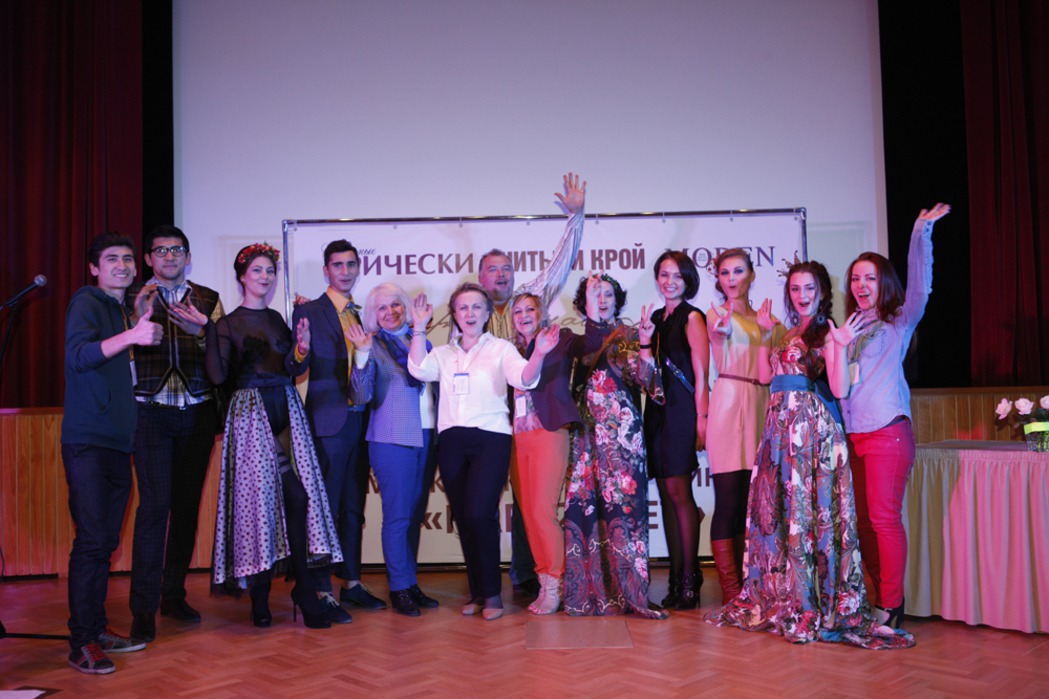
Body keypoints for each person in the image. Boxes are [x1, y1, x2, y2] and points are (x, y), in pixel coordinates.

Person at [705, 260, 914, 649]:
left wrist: (839, 345)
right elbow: (766, 378)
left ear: (822, 293)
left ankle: (812, 600)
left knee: (805, 514)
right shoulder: (788, 331)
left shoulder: (828, 331)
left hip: (809, 430)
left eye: (809, 289)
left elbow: (839, 387)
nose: (802, 296)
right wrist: (765, 335)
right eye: (796, 289)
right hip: (779, 430)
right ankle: (785, 593)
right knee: (783, 514)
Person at [172, 242, 341, 629]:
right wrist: (207, 330)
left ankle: (297, 590)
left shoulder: (279, 319)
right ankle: (267, 596)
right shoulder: (228, 323)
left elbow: (292, 368)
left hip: (286, 411)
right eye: (257, 271)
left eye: (270, 271)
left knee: (295, 499)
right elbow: (218, 376)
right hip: (251, 416)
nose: (265, 277)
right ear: (242, 277)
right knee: (265, 503)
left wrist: (301, 349)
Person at [408, 283, 560, 620]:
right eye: (463, 308)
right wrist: (418, 327)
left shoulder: (501, 349)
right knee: (464, 517)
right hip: (451, 439)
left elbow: (525, 378)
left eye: (477, 307)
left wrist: (538, 354)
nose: (470, 313)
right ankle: (477, 592)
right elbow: (418, 369)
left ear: (488, 313)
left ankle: (492, 594)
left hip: (491, 438)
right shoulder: (443, 353)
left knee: (480, 513)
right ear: (454, 314)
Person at [475, 172, 586, 598]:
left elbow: (561, 262)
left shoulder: (529, 302)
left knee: (540, 506)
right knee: (521, 504)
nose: (501, 276)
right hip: (498, 425)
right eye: (493, 270)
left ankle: (545, 580)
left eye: (506, 269)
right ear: (482, 278)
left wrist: (576, 217)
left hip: (543, 424)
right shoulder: (473, 315)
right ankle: (529, 576)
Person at [840, 203, 951, 629]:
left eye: (870, 277)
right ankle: (876, 596)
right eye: (856, 278)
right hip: (854, 436)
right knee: (865, 523)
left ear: (884, 282)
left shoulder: (898, 320)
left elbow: (921, 285)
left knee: (884, 520)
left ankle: (891, 605)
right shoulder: (851, 326)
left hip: (887, 432)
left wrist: (921, 233)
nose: (862, 285)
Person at [62, 231, 162, 674]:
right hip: (88, 441)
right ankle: (81, 642)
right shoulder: (87, 300)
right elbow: (79, 356)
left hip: (119, 442)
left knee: (104, 542)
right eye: (111, 259)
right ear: (94, 268)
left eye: (127, 259)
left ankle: (96, 629)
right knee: (91, 542)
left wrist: (133, 323)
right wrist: (133, 334)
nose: (122, 265)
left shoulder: (120, 312)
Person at [126, 225, 224, 643]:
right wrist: (136, 318)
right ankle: (143, 608)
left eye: (177, 250)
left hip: (197, 414)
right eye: (161, 250)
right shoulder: (131, 297)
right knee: (154, 509)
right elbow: (120, 349)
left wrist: (204, 333)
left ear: (188, 256)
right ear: (149, 258)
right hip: (149, 413)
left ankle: (173, 595)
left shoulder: (209, 299)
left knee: (185, 508)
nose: (169, 256)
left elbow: (223, 360)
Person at [563, 273, 668, 619]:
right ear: (583, 303)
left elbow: (651, 384)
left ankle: (631, 593)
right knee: (585, 512)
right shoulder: (575, 342)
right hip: (585, 440)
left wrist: (646, 345)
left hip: (623, 441)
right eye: (595, 294)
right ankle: (589, 594)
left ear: (617, 300)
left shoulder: (629, 336)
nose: (602, 300)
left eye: (608, 294)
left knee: (626, 515)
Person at [287, 239, 382, 619]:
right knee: (324, 508)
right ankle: (320, 589)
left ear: (359, 268)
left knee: (354, 507)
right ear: (326, 270)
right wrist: (301, 349)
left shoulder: (362, 313)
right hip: (329, 423)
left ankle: (352, 583)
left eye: (350, 264)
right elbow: (294, 367)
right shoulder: (308, 310)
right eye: (337, 265)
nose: (345, 271)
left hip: (363, 421)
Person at [349, 282, 440, 616]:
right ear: (374, 314)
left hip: (426, 436)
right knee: (398, 517)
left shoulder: (423, 341)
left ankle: (410, 582)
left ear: (405, 307)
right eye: (382, 308)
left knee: (414, 516)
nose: (390, 312)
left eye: (395, 305)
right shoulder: (371, 345)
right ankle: (399, 587)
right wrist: (360, 355)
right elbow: (360, 398)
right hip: (391, 438)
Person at [704, 248, 781, 604]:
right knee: (728, 500)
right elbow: (718, 337)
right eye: (724, 272)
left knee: (754, 504)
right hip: (727, 401)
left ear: (751, 275)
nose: (731, 278)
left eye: (738, 271)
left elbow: (772, 369)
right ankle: (731, 592)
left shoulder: (770, 320)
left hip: (760, 404)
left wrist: (766, 333)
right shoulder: (715, 314)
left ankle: (753, 586)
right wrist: (721, 332)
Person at [643, 251, 709, 610]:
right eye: (665, 275)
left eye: (678, 276)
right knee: (666, 495)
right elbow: (648, 375)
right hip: (656, 411)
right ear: (657, 278)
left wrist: (702, 419)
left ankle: (689, 581)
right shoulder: (655, 319)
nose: (670, 281)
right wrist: (642, 343)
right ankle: (676, 578)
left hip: (682, 412)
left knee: (679, 493)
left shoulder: (693, 317)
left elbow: (701, 374)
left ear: (688, 281)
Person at [508, 293, 580, 614]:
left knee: (542, 511)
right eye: (517, 311)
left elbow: (588, 343)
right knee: (528, 515)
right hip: (517, 438)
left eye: (530, 309)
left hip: (549, 432)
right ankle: (544, 581)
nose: (524, 315)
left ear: (541, 314)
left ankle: (555, 582)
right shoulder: (509, 351)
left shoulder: (559, 339)